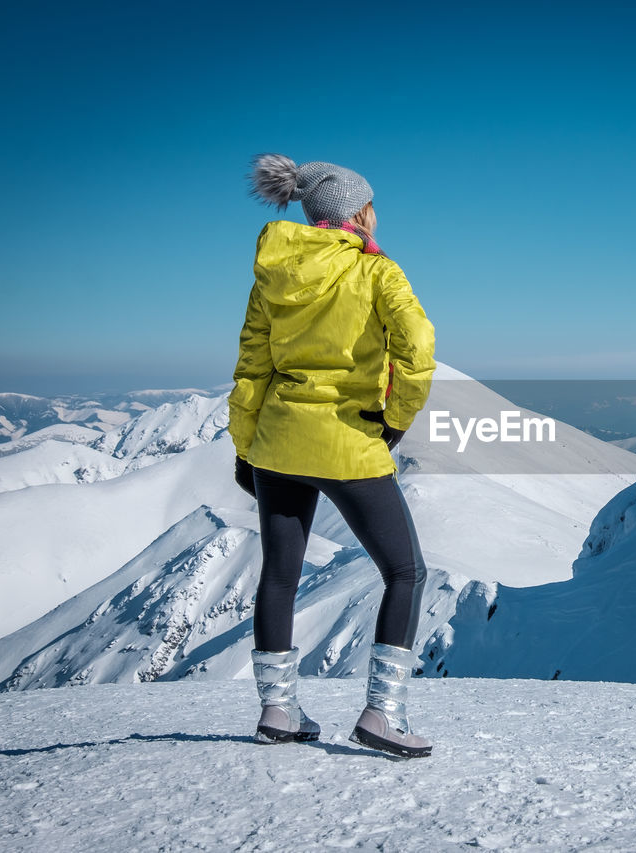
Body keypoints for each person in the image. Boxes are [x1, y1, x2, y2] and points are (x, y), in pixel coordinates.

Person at [230, 153, 436, 758]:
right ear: (357, 212)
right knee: (405, 571)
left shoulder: (273, 273)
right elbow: (418, 349)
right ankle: (382, 715)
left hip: (278, 439)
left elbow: (251, 367)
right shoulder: (377, 273)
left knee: (279, 576)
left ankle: (278, 712)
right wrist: (394, 419)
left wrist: (247, 446)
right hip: (348, 441)